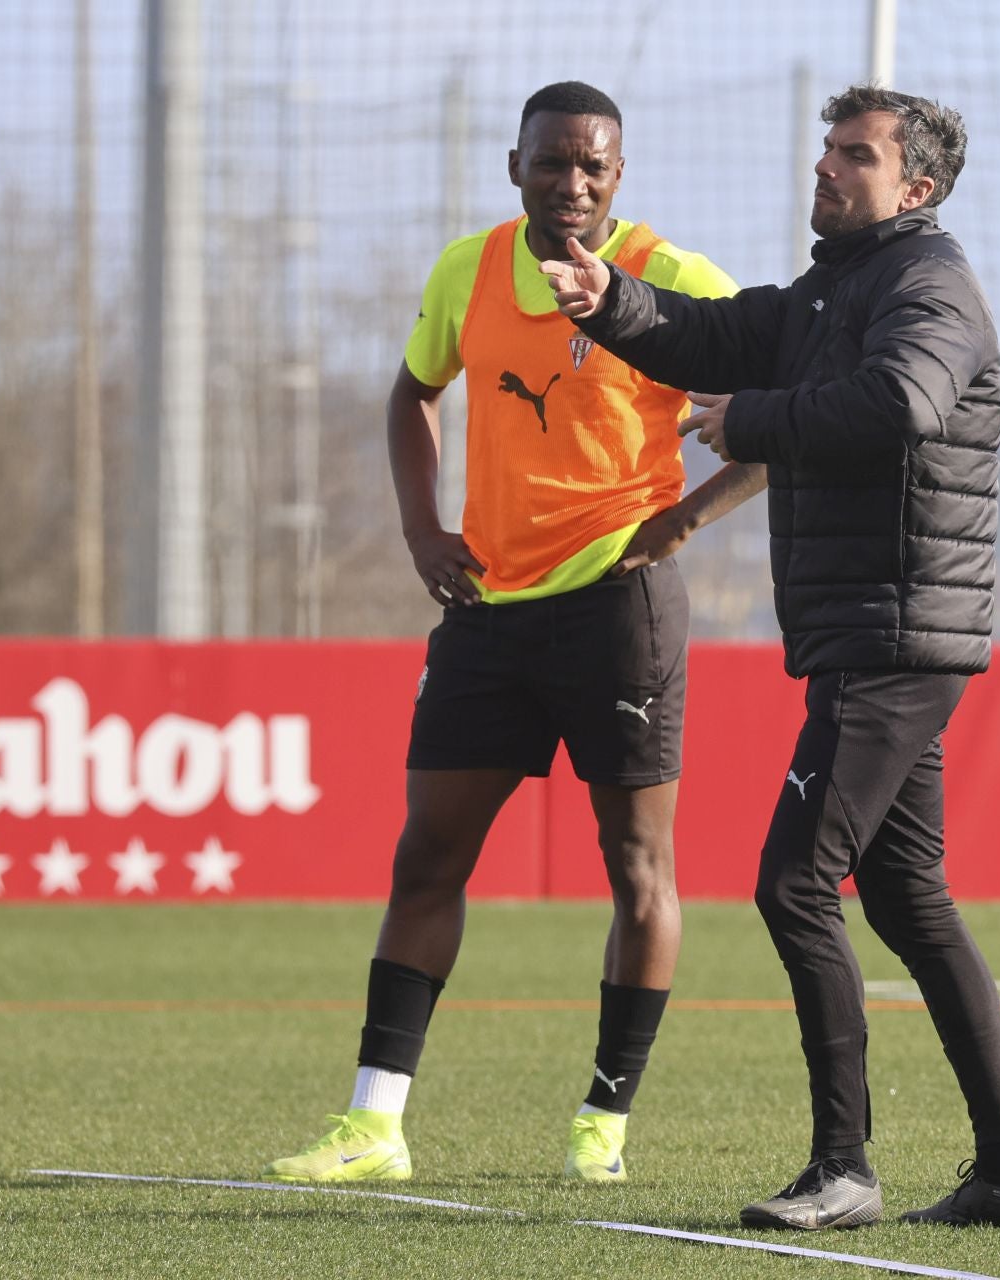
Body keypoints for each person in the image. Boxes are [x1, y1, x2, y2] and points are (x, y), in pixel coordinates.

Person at [545, 85, 1000, 1231]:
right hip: (868, 631)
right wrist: (610, 298)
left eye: (855, 156)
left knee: (791, 882)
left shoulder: (930, 285)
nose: (825, 168)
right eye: (828, 149)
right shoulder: (838, 285)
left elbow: (899, 401)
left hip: (899, 633)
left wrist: (753, 421)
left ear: (913, 187)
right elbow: (715, 332)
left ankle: (844, 1166)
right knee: (912, 902)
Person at [262, 80, 759, 1187]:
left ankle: (605, 1114)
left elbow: (782, 402)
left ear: (618, 175)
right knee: (427, 855)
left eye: (593, 166)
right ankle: (374, 1123)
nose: (570, 184)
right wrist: (419, 529)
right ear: (515, 166)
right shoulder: (469, 269)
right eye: (551, 163)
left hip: (619, 609)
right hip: (487, 611)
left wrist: (686, 516)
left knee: (637, 865)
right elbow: (410, 393)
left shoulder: (672, 278)